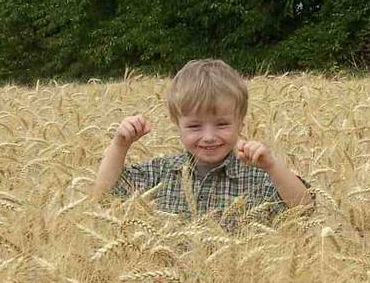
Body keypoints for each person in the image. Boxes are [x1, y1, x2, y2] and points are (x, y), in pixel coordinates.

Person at [93, 58, 311, 225]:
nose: (208, 136)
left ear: (240, 124)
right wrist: (120, 145)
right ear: (177, 125)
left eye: (222, 124)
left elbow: (305, 210)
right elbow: (104, 195)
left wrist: (272, 166)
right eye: (195, 126)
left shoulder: (258, 176)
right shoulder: (158, 174)